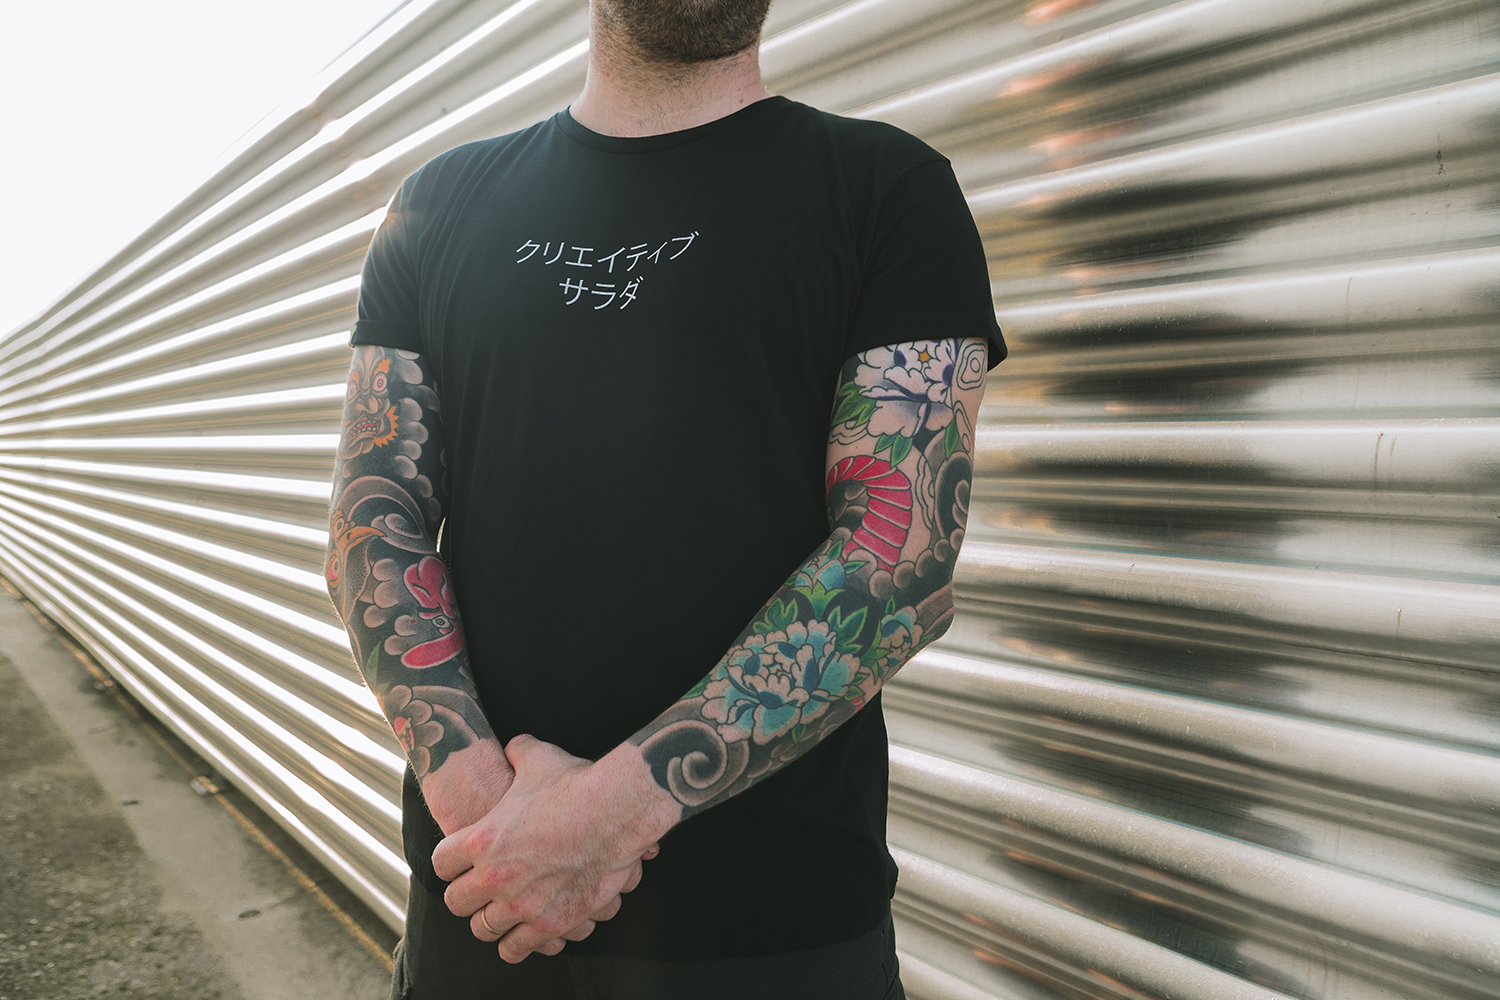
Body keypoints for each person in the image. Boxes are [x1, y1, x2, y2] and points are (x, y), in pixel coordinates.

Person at [327, 1, 1004, 996]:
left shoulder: (885, 188)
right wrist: (489, 813)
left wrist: (602, 821)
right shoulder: (439, 203)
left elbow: (900, 563)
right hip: (486, 899)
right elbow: (371, 523)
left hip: (776, 931)